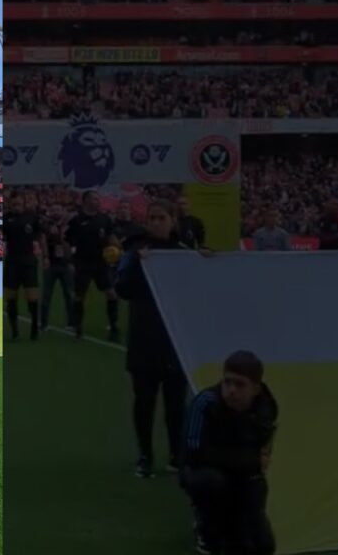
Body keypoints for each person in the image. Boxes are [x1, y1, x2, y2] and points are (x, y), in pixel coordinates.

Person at [115, 199, 190, 478]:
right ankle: (145, 455)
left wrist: (205, 261)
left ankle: (176, 455)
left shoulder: (184, 253)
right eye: (152, 218)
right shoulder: (136, 251)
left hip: (174, 342)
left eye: (162, 218)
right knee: (144, 402)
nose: (156, 222)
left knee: (175, 406)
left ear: (173, 220)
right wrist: (137, 263)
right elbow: (122, 288)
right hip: (144, 339)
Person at [181, 351, 277, 555]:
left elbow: (261, 461)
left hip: (243, 476)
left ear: (256, 389)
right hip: (204, 471)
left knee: (263, 545)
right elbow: (192, 454)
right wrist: (241, 460)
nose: (231, 390)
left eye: (240, 384)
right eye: (227, 382)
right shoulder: (204, 403)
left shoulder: (266, 410)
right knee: (211, 482)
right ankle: (204, 522)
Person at [66, 190, 120, 342]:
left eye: (98, 198)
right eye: (94, 198)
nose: (97, 201)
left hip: (101, 263)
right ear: (86, 201)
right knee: (79, 296)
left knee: (111, 293)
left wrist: (118, 249)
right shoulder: (76, 220)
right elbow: (67, 241)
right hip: (82, 263)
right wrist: (69, 260)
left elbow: (111, 237)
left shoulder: (105, 219)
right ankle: (78, 328)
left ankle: (114, 327)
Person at [5, 193, 43, 341]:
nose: (16, 207)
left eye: (19, 204)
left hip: (29, 262)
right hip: (12, 262)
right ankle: (14, 330)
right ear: (10, 204)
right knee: (11, 298)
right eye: (14, 204)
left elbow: (41, 236)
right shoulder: (6, 219)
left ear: (23, 203)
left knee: (32, 297)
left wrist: (44, 255)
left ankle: (34, 328)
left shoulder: (32, 218)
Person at [40, 205, 73, 331]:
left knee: (69, 294)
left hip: (65, 263)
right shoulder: (46, 225)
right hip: (51, 264)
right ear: (49, 212)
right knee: (46, 295)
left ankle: (71, 322)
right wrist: (45, 257)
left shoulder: (68, 225)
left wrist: (71, 261)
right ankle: (44, 323)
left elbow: (71, 243)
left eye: (58, 209)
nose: (56, 212)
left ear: (63, 211)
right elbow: (43, 241)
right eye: (53, 209)